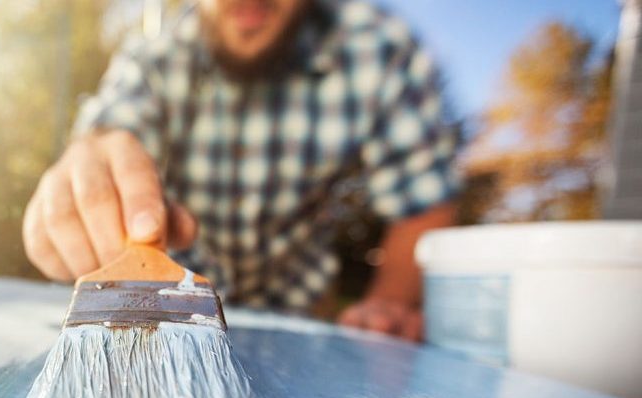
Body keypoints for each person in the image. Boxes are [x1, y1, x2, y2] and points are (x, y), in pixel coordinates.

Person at [22, 0, 458, 340]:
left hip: (299, 320)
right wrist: (89, 169)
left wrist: (387, 305)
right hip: (168, 325)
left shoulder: (378, 48)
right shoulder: (154, 58)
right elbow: (110, 134)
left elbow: (422, 198)